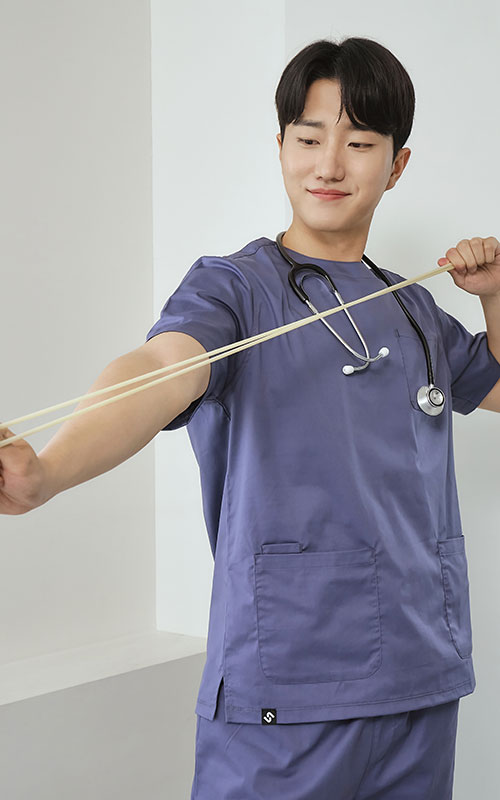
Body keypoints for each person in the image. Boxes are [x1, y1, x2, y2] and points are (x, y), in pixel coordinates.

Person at [1, 36, 500, 800]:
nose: (328, 165)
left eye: (359, 143)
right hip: (287, 693)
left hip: (420, 680)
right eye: (309, 138)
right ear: (280, 147)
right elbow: (162, 369)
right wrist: (47, 472)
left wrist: (494, 297)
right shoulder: (235, 288)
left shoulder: (414, 309)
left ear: (397, 164)